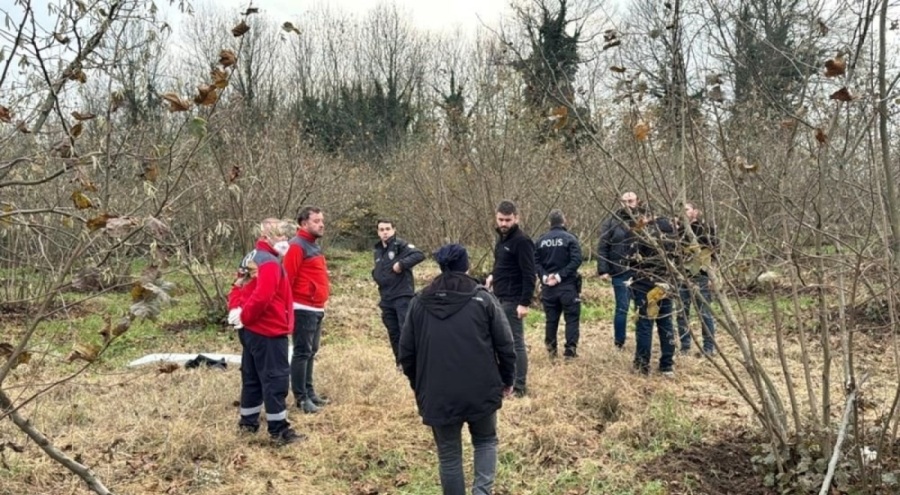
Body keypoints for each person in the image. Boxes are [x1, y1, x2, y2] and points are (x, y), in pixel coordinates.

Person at [399, 243, 516, 495]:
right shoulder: (483, 298)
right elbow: (506, 345)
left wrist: (419, 386)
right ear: (466, 265)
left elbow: (406, 353)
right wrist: (508, 379)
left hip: (437, 393)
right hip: (481, 388)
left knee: (449, 455)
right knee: (485, 441)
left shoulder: (418, 301)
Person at [227, 218, 302, 445]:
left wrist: (236, 310)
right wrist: (244, 314)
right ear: (266, 236)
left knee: (251, 378)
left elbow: (237, 287)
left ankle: (248, 423)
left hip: (250, 331)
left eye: (286, 237)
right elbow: (263, 297)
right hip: (268, 330)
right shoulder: (268, 262)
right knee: (275, 379)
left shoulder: (251, 258)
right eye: (280, 236)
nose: (284, 241)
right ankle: (279, 430)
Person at [485, 200, 535, 397]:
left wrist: (524, 303)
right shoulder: (502, 240)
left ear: (516, 218)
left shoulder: (522, 241)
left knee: (516, 343)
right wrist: (492, 276)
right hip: (499, 297)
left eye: (507, 220)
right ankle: (505, 381)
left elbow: (529, 274)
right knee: (501, 342)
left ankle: (520, 387)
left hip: (514, 300)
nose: (503, 223)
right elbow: (502, 265)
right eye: (500, 219)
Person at [283, 206, 330, 414]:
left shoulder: (313, 246)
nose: (321, 224)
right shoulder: (296, 246)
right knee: (302, 352)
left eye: (322, 221)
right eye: (316, 221)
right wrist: (287, 308)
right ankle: (301, 398)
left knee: (312, 351)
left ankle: (310, 392)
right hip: (302, 307)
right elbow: (287, 279)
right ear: (303, 224)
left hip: (317, 307)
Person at [628, 208, 678, 376]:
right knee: (666, 323)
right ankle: (667, 365)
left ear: (646, 216)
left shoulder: (644, 234)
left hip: (645, 285)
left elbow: (634, 260)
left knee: (644, 325)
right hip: (667, 285)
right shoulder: (674, 233)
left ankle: (642, 365)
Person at [372, 219, 425, 365]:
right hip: (386, 297)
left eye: (387, 229)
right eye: (381, 229)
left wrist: (401, 264)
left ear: (394, 230)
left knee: (405, 330)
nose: (385, 232)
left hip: (402, 295)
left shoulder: (400, 245)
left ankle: (413, 362)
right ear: (378, 232)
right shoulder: (378, 250)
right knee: (393, 332)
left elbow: (419, 254)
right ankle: (400, 363)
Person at [534, 209, 583, 359]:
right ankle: (570, 351)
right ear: (564, 221)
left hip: (548, 287)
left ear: (549, 223)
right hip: (567, 286)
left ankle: (551, 350)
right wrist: (560, 276)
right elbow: (577, 260)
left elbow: (535, 261)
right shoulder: (570, 238)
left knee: (551, 319)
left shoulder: (541, 240)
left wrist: (544, 276)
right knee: (572, 318)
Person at [597, 192, 641, 349]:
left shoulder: (643, 221)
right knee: (622, 307)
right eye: (625, 201)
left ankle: (642, 341)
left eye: (631, 201)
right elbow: (602, 246)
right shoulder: (611, 222)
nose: (628, 204)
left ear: (637, 202)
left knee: (641, 308)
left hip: (641, 271)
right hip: (619, 270)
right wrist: (603, 270)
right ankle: (619, 342)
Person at [676, 202, 718, 356]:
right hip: (682, 277)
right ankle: (685, 347)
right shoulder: (678, 231)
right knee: (682, 313)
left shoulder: (705, 231)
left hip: (701, 277)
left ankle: (709, 348)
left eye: (686, 209)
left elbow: (714, 255)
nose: (683, 213)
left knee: (704, 313)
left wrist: (710, 277)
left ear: (695, 212)